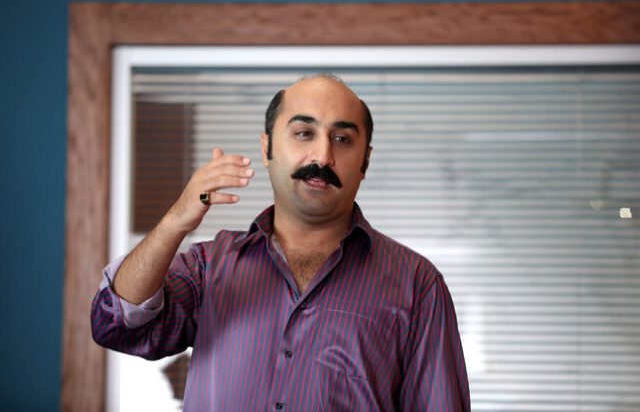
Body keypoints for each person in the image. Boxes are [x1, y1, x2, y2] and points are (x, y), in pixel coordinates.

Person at [91, 74, 470, 411]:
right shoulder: (209, 266)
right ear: (267, 147)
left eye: (342, 139)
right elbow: (117, 323)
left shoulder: (417, 285)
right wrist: (176, 220)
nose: (322, 155)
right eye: (304, 133)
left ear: (365, 162)